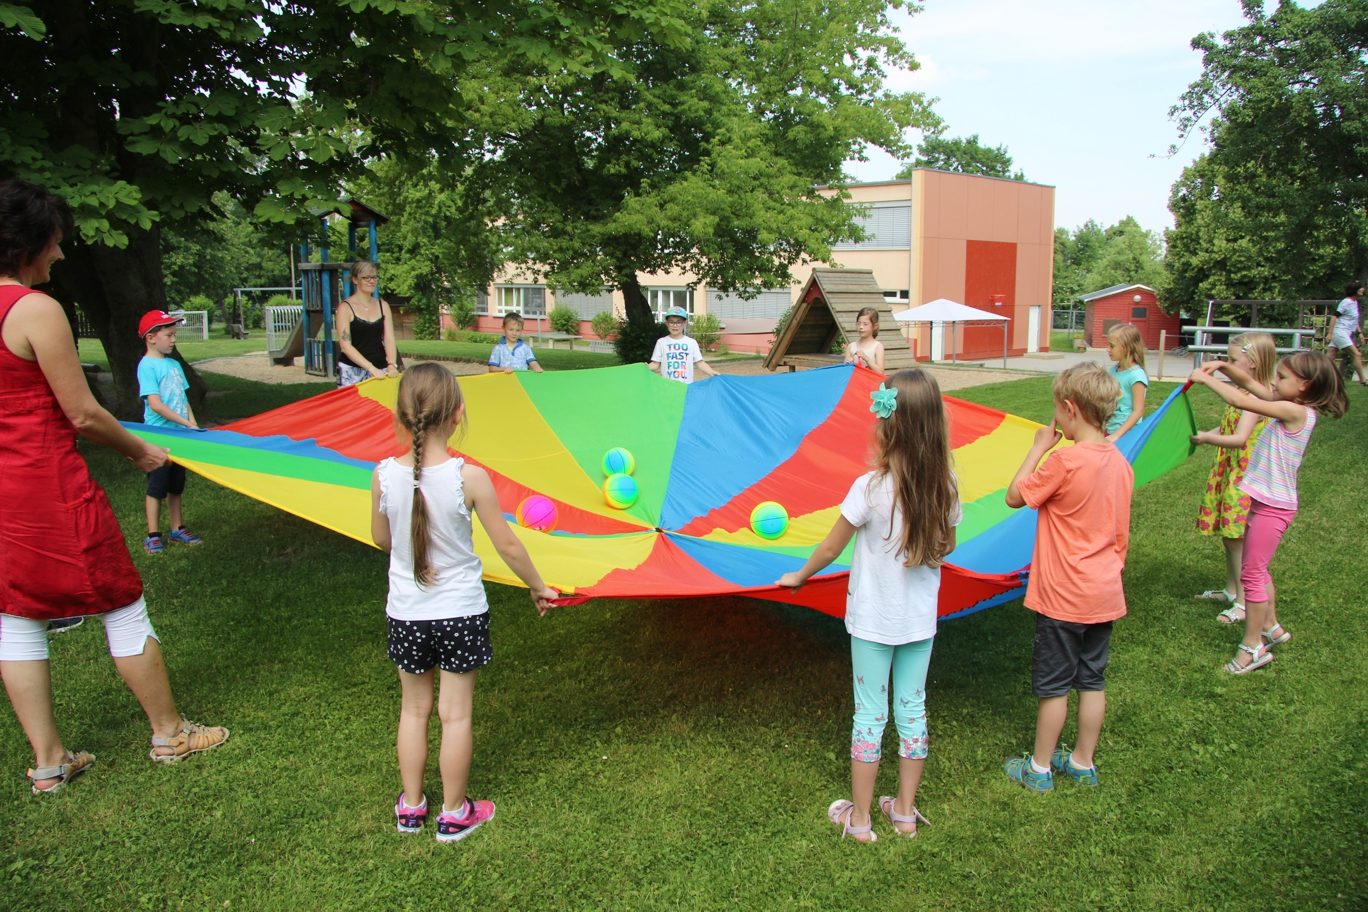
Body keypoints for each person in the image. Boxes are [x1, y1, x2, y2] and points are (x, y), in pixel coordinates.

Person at [0, 177, 227, 794]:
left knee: (15, 615)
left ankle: (49, 763)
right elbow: (81, 412)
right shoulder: (34, 310)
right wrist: (139, 449)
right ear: (29, 242)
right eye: (55, 241)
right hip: (49, 486)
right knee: (121, 600)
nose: (61, 253)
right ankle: (169, 733)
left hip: (5, 492)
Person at [371, 363, 558, 842]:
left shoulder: (382, 476)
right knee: (455, 715)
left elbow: (381, 539)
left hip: (406, 614)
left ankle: (411, 808)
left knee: (413, 710)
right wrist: (537, 585)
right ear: (457, 415)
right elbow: (508, 545)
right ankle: (455, 814)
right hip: (460, 614)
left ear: (402, 414)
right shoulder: (469, 478)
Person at [777, 369, 961, 841]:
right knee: (912, 711)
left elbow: (829, 548)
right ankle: (904, 813)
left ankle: (859, 820)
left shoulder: (870, 488)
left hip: (873, 623)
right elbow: (948, 545)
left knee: (869, 715)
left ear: (888, 426)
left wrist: (800, 575)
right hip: (918, 623)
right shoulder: (945, 485)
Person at [1003, 362, 1132, 792]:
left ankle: (1039, 769)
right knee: (1092, 680)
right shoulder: (1120, 463)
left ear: (1071, 409)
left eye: (1057, 409)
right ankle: (1082, 762)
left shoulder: (1064, 461)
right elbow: (1121, 535)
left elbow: (1014, 496)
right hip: (1104, 592)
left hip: (1063, 597)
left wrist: (1038, 447)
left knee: (1055, 687)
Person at [1187, 350, 1348, 673]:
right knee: (1259, 569)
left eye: (1282, 377)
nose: (1274, 382)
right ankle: (1271, 628)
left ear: (1304, 385)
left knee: (1252, 575)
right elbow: (1250, 385)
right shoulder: (1288, 403)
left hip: (1274, 508)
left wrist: (1204, 379)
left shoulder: (1294, 410)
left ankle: (1252, 647)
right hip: (1265, 503)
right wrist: (1223, 367)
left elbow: (1242, 400)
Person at [1191, 332, 1276, 624]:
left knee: (1239, 540)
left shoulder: (1256, 397)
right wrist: (1205, 434)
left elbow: (1240, 439)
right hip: (1231, 472)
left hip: (1245, 477)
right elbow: (1229, 427)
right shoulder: (1245, 393)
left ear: (1253, 362)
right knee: (1230, 538)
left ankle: (1243, 601)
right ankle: (1231, 590)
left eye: (1232, 360)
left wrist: (1207, 439)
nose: (1228, 364)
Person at [137, 309, 203, 554]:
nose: (174, 340)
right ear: (151, 338)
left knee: (176, 485)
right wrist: (185, 423)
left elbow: (183, 399)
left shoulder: (174, 365)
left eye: (174, 335)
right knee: (157, 487)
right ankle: (153, 535)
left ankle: (177, 528)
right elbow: (155, 404)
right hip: (158, 438)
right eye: (169, 335)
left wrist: (192, 425)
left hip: (180, 437)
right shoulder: (147, 366)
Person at [334, 259, 398, 387]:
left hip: (381, 368)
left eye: (374, 277)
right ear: (355, 280)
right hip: (352, 371)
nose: (371, 281)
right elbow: (345, 346)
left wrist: (391, 364)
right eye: (366, 277)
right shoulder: (345, 308)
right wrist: (371, 368)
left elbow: (389, 339)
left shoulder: (383, 306)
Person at [649, 306, 718, 384]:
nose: (675, 325)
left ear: (685, 323)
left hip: (686, 386)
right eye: (671, 322)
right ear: (667, 323)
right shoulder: (661, 342)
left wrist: (712, 372)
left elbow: (700, 363)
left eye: (678, 322)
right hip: (667, 386)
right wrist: (641, 368)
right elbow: (655, 364)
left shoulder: (692, 342)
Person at [1103, 323, 1148, 441]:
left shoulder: (1136, 376)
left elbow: (1138, 411)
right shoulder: (1113, 371)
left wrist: (1117, 435)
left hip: (1127, 436)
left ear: (1126, 347)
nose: (1108, 349)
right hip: (1109, 430)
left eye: (1112, 346)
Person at [1327, 282, 1366, 387]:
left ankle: (1318, 376)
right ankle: (1363, 380)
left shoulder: (1355, 302)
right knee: (1356, 354)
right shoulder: (1346, 302)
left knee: (1330, 355)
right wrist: (1330, 333)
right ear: (1354, 290)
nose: (1363, 289)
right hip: (1340, 331)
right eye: (1360, 288)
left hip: (1345, 333)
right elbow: (1334, 316)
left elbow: (1354, 320)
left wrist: (1360, 333)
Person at [843, 306, 886, 373]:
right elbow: (844, 371)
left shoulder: (877, 346)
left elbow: (880, 372)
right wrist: (848, 363)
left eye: (865, 324)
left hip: (870, 380)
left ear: (875, 326)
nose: (861, 327)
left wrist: (866, 358)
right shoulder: (851, 346)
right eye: (858, 323)